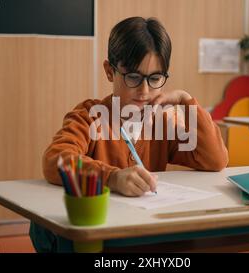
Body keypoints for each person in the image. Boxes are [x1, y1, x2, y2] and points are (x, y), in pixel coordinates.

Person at [31, 17, 228, 252]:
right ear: (109, 71)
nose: (144, 91)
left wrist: (185, 101)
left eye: (155, 78)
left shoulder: (161, 123)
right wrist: (112, 178)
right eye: (133, 77)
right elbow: (57, 159)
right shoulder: (89, 116)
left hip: (142, 234)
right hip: (99, 238)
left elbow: (215, 160)